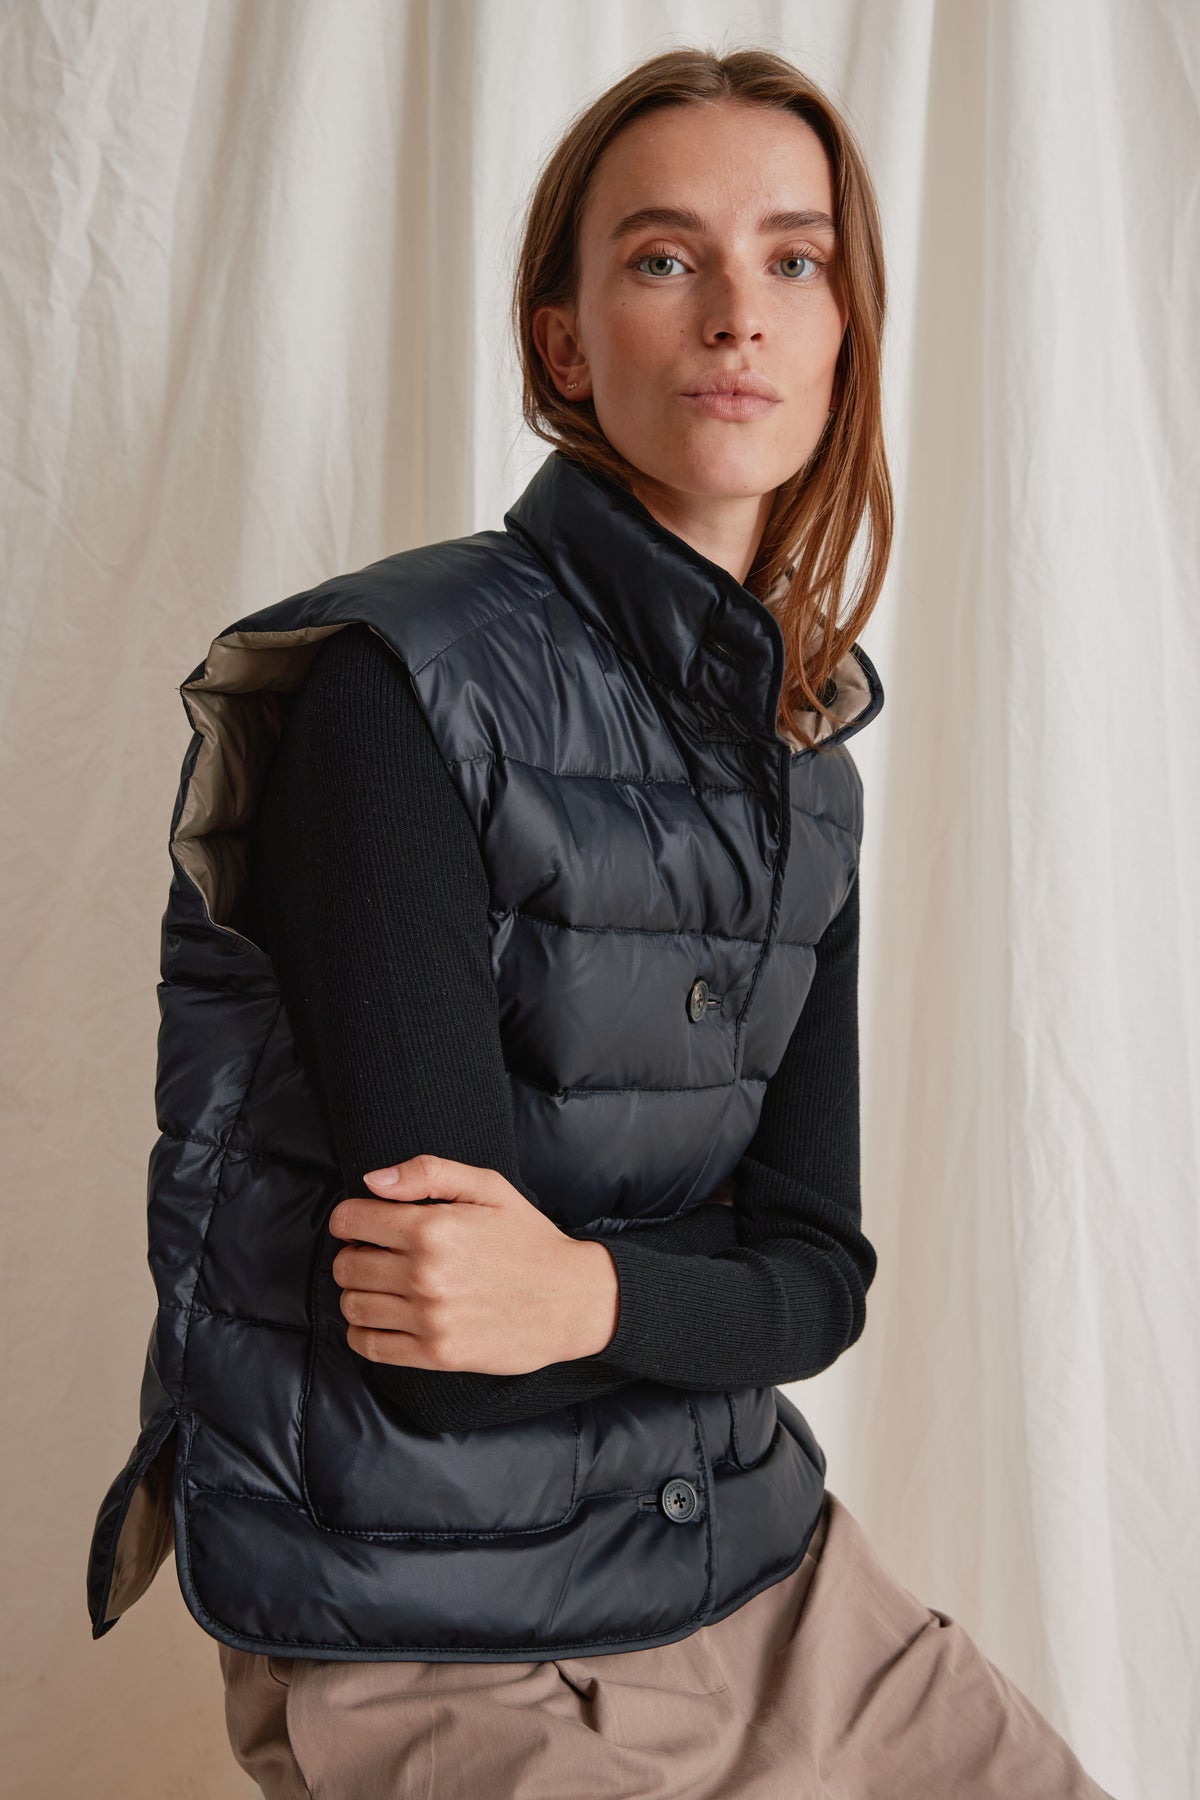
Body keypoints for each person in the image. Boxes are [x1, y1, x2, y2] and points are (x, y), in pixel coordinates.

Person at [86, 44, 1114, 1800]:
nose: (738, 313)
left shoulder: (808, 762)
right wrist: (685, 1291)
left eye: (794, 258)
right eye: (663, 256)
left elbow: (821, 1282)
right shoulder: (399, 691)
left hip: (766, 1574)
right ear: (565, 345)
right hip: (423, 1610)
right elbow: (453, 1364)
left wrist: (579, 1288)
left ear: (846, 329)